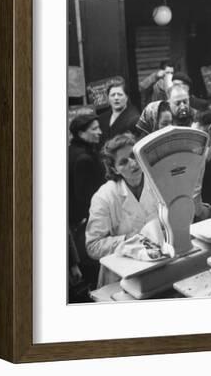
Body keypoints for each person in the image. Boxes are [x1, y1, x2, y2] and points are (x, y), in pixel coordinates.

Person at [85, 133, 161, 287]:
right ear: (115, 169)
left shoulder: (157, 180)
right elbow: (92, 246)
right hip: (121, 275)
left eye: (134, 155)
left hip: (158, 262)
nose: (133, 164)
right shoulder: (104, 197)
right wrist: (127, 239)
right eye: (124, 162)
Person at [68, 113, 106, 289]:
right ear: (81, 133)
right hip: (85, 223)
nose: (100, 132)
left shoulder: (73, 151)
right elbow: (85, 197)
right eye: (94, 129)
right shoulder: (84, 159)